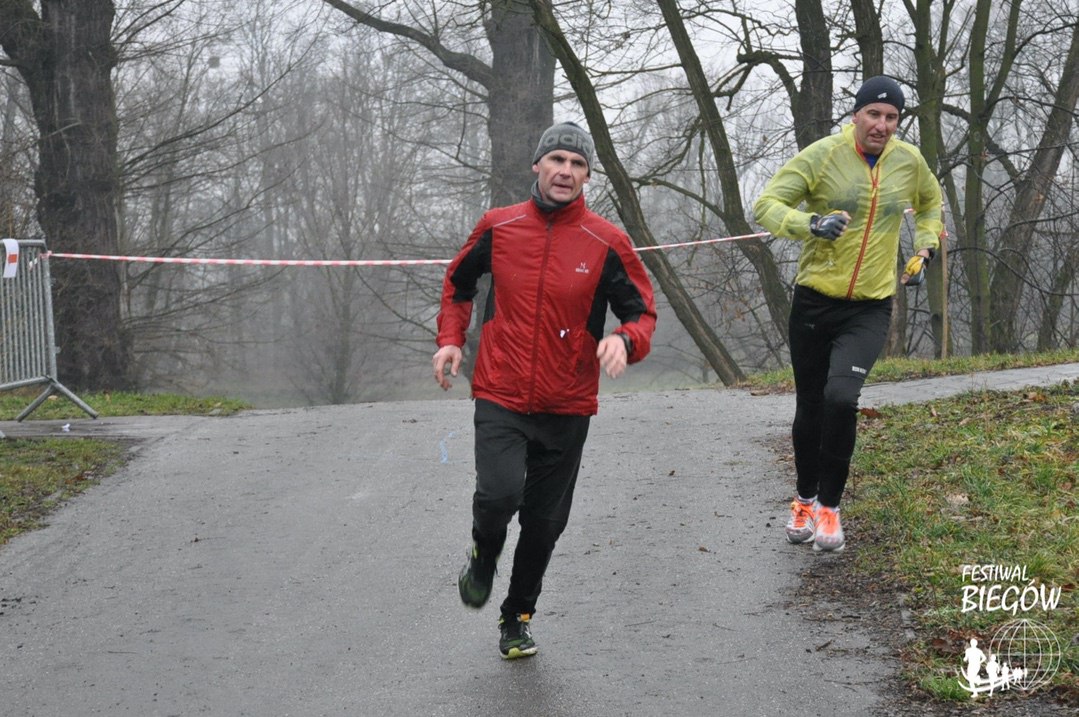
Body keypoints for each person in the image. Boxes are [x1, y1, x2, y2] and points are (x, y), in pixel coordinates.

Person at [432, 121, 657, 659]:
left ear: (588, 176)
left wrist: (625, 340)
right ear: (537, 165)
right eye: (557, 159)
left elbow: (642, 312)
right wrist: (451, 340)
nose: (565, 171)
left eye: (577, 164)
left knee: (544, 523)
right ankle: (484, 555)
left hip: (567, 401)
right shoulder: (500, 225)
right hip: (501, 391)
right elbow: (458, 284)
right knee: (498, 496)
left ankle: (517, 616)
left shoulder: (607, 241)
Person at [753, 75, 942, 552]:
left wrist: (925, 248)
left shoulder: (908, 161)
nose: (882, 125)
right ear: (855, 115)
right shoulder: (822, 156)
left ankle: (830, 509)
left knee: (841, 398)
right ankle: (804, 499)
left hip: (870, 306)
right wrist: (810, 224)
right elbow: (767, 205)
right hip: (815, 301)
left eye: (891, 117)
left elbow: (930, 203)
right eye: (873, 114)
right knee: (811, 405)